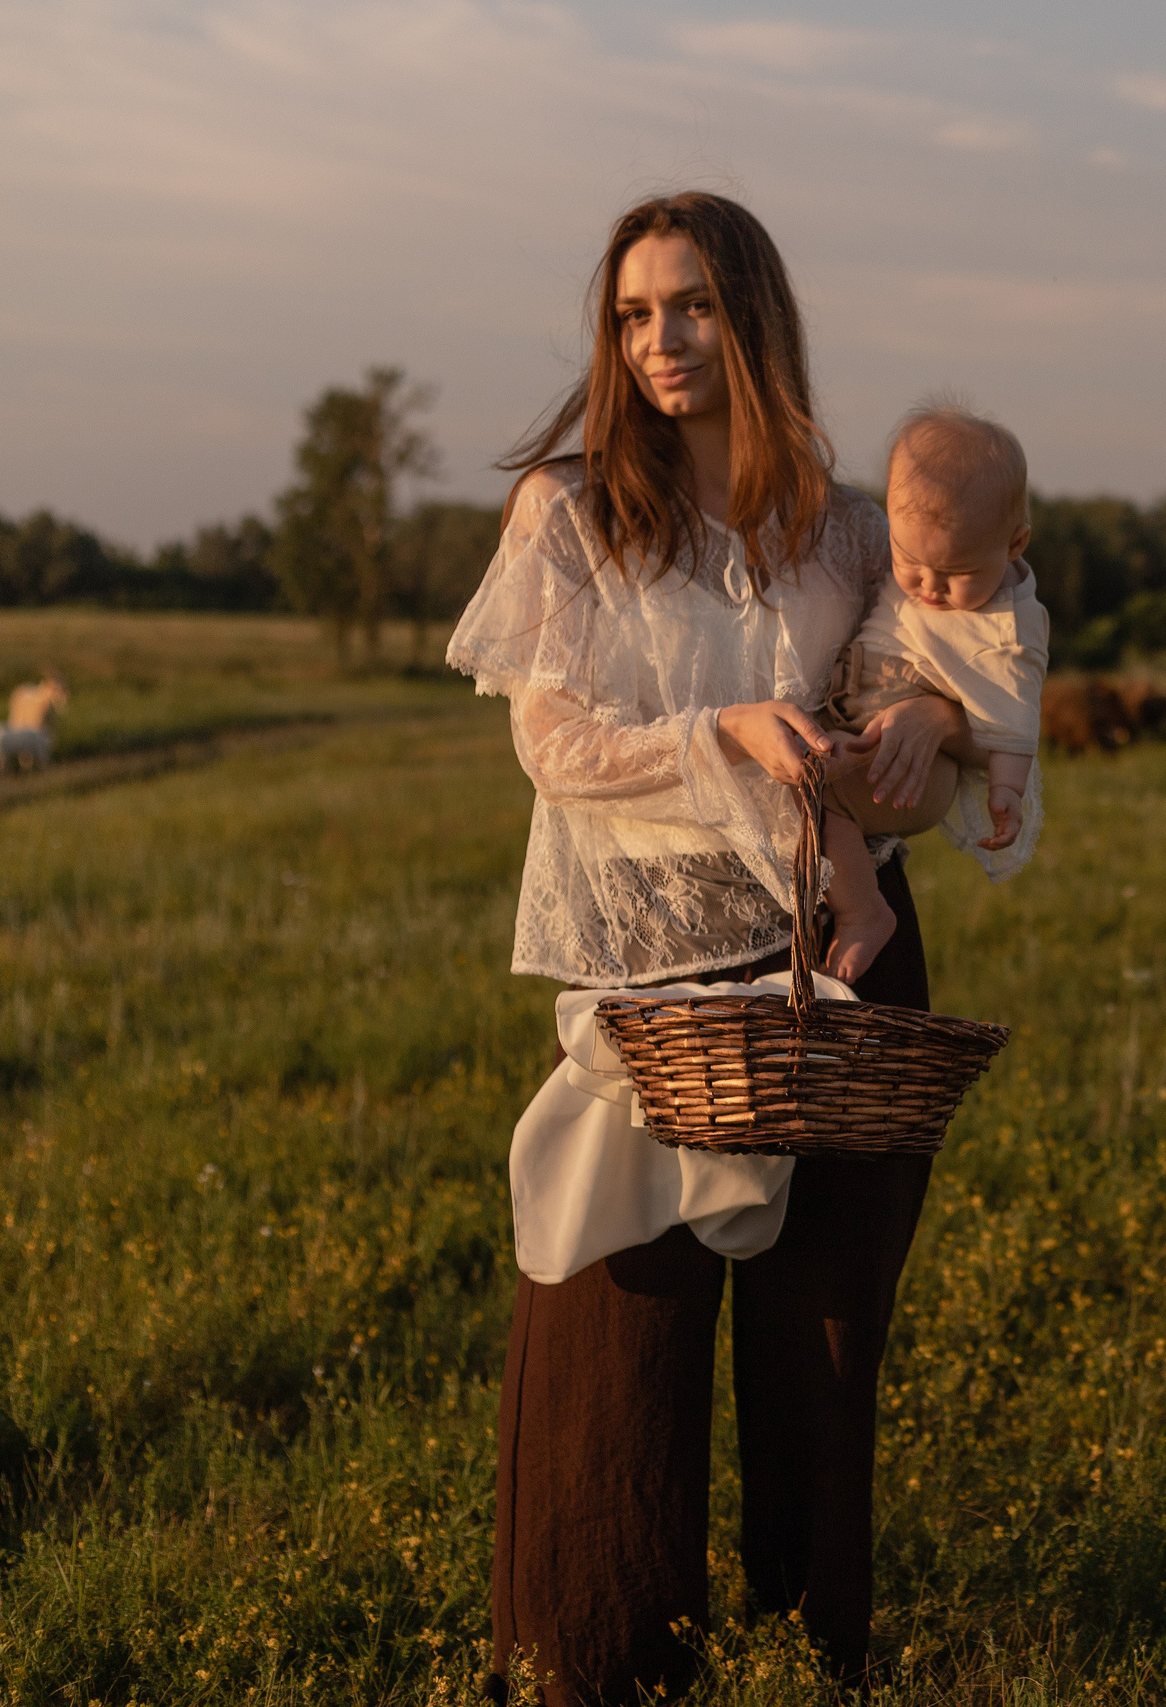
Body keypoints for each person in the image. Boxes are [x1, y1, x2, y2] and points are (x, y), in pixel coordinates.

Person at [446, 190, 973, 1702]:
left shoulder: (854, 526)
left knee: (824, 1333)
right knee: (617, 1326)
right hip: (656, 970)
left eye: (690, 306)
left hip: (842, 961)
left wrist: (924, 717)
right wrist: (727, 728)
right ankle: (598, 1658)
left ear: (754, 316)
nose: (661, 341)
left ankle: (817, 1651)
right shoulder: (570, 509)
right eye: (631, 313)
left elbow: (917, 772)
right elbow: (556, 750)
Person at [813, 400, 1048, 981]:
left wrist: (1007, 793)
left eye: (955, 573)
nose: (928, 585)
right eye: (910, 560)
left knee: (813, 796)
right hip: (868, 723)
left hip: (913, 765)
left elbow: (1017, 721)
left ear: (1014, 544)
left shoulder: (1007, 628)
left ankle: (864, 912)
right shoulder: (909, 560)